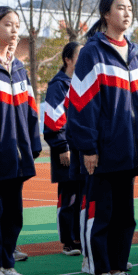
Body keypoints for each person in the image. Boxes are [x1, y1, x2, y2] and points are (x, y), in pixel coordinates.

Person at [68, 0, 138, 275]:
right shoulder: (92, 52)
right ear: (106, 14)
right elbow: (81, 103)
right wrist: (87, 148)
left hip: (129, 151)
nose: (127, 13)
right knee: (100, 213)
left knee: (123, 216)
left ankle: (119, 269)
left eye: (130, 8)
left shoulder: (134, 52)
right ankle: (100, 274)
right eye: (121, 7)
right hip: (102, 151)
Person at [0, 7, 41, 275]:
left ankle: (7, 263)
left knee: (14, 214)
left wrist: (32, 145)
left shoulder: (18, 67)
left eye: (17, 25)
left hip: (18, 154)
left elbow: (30, 110)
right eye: (8, 24)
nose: (15, 30)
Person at [42, 41, 83, 257]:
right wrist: (61, 145)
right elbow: (53, 118)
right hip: (66, 150)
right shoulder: (59, 85)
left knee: (83, 194)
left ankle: (80, 236)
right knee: (68, 197)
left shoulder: (84, 83)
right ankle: (69, 240)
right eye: (80, 56)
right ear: (68, 59)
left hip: (83, 149)